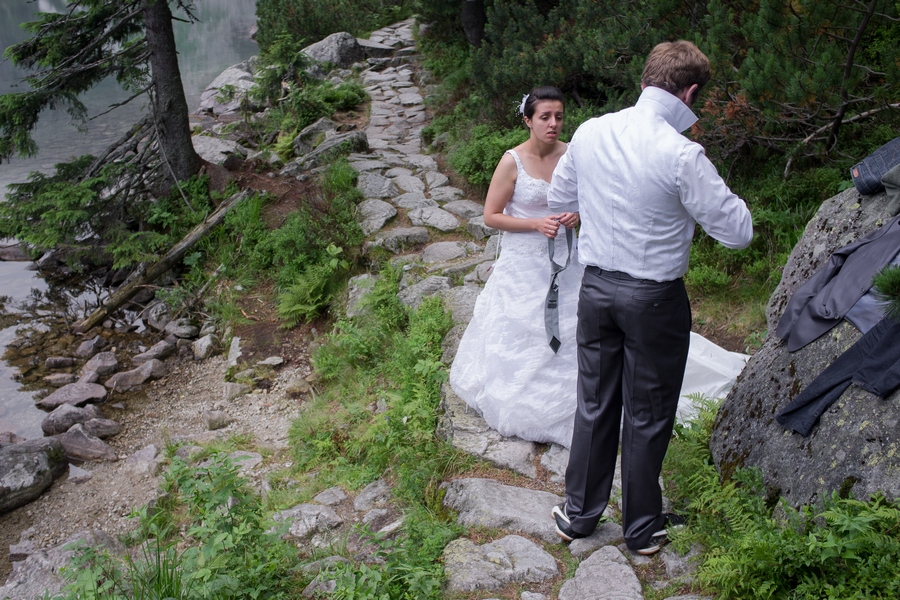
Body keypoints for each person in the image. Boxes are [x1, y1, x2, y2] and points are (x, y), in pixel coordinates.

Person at [546, 41, 753, 555]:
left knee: (594, 402)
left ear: (644, 82)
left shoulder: (591, 132)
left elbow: (559, 198)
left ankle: (579, 514)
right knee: (649, 411)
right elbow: (739, 232)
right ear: (691, 93)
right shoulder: (682, 154)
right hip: (654, 298)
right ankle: (641, 528)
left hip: (596, 289)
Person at [449, 86, 584, 448]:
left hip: (568, 259)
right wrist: (535, 224)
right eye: (545, 117)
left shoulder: (572, 155)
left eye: (559, 116)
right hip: (524, 263)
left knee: (576, 322)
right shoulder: (513, 161)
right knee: (524, 328)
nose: (553, 124)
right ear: (528, 120)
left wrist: (576, 214)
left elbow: (587, 198)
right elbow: (491, 216)